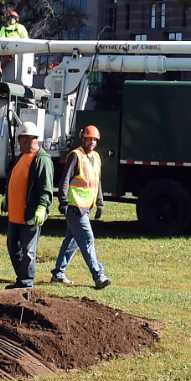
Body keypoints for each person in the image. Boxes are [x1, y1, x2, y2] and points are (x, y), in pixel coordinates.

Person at [50, 124, 111, 290]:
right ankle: (99, 275)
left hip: (86, 207)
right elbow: (64, 180)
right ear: (82, 138)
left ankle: (58, 274)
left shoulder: (96, 157)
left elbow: (96, 182)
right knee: (87, 240)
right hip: (75, 207)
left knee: (72, 240)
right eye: (88, 139)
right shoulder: (75, 156)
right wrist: (63, 202)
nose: (91, 142)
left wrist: (100, 203)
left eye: (94, 140)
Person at [4, 121, 55, 289]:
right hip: (15, 214)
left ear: (35, 139)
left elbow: (46, 188)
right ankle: (21, 278)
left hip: (30, 215)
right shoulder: (21, 157)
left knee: (28, 251)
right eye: (21, 139)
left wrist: (42, 207)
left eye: (26, 139)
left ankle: (26, 283)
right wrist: (7, 198)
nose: (22, 143)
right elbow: (14, 180)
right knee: (13, 247)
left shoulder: (42, 159)